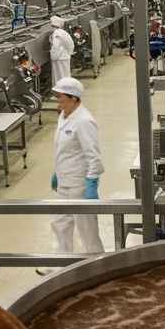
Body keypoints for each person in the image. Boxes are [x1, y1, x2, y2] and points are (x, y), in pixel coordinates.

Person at [50, 77, 106, 253]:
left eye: (61, 97)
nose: (58, 100)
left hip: (79, 184)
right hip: (64, 182)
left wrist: (91, 184)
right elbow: (64, 149)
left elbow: (93, 156)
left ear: (73, 97)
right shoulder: (64, 116)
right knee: (60, 223)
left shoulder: (84, 121)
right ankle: (60, 262)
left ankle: (98, 263)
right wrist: (57, 173)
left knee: (87, 228)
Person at [49, 15, 74, 87]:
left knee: (59, 77)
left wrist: (52, 56)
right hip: (65, 57)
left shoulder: (56, 34)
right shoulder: (63, 32)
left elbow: (55, 47)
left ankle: (61, 92)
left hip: (59, 58)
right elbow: (70, 45)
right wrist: (68, 53)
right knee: (66, 75)